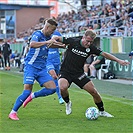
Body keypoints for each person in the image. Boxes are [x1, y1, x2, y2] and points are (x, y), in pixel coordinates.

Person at [52, 29, 130, 116]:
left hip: (78, 73)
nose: (89, 44)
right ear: (83, 37)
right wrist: (53, 40)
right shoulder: (73, 41)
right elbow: (57, 38)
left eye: (91, 42)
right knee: (62, 87)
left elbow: (104, 54)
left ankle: (102, 111)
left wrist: (118, 60)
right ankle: (68, 103)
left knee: (93, 92)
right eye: (87, 41)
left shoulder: (91, 48)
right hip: (65, 72)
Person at [8, 18, 63, 121]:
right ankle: (13, 113)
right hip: (31, 66)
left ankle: (33, 96)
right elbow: (32, 44)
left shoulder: (49, 37)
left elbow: (51, 44)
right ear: (47, 27)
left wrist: (64, 46)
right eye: (52, 30)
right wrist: (47, 42)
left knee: (52, 89)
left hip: (42, 68)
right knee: (26, 91)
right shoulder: (37, 34)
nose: (52, 32)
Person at [23, 30, 64, 107]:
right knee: (54, 76)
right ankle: (60, 97)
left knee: (57, 78)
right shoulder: (44, 36)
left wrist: (62, 46)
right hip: (48, 60)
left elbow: (58, 43)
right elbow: (42, 44)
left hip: (56, 60)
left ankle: (33, 95)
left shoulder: (57, 34)